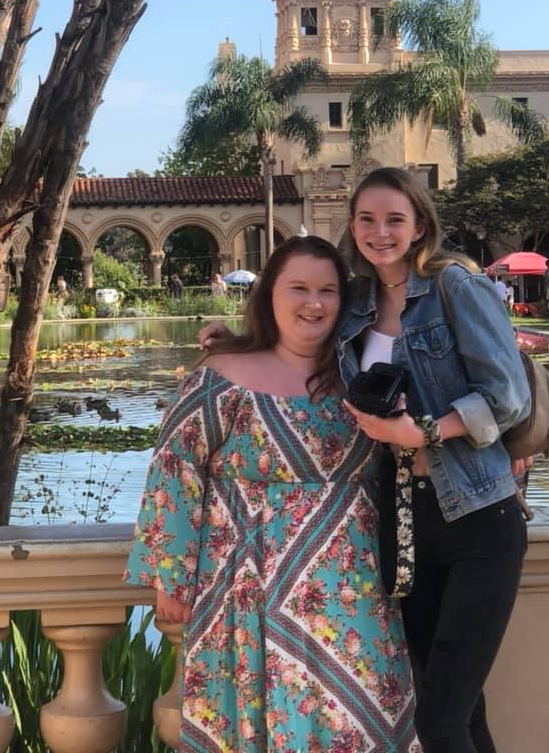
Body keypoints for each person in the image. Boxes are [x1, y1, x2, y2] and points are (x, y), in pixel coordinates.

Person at [199, 169, 530, 753]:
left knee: (440, 720)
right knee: (458, 706)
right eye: (367, 219)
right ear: (352, 227)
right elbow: (296, 335)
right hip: (402, 524)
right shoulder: (355, 304)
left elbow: (507, 398)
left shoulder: (455, 286)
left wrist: (422, 431)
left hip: (478, 516)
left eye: (395, 219)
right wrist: (235, 342)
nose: (381, 232)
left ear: (420, 225)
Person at [126, 236, 418, 752]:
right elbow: (174, 471)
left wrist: (505, 447)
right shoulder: (221, 378)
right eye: (298, 288)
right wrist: (171, 578)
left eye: (328, 291)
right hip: (245, 588)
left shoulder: (363, 378)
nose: (314, 303)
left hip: (354, 591)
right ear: (269, 295)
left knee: (359, 723)